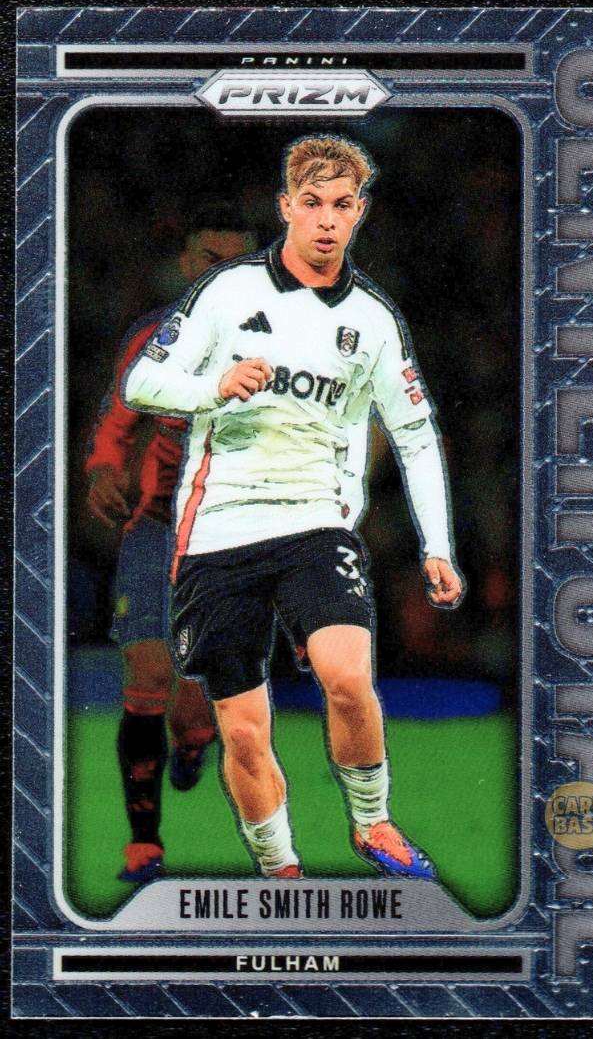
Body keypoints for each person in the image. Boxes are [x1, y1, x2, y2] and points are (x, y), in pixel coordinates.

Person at [123, 136, 464, 880]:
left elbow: (414, 435)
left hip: (315, 522)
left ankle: (372, 823)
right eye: (312, 203)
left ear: (360, 212)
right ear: (286, 207)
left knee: (347, 677)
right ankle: (281, 871)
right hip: (217, 533)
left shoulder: (373, 320)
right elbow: (141, 383)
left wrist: (437, 545)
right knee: (245, 732)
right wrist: (213, 387)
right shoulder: (228, 293)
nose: (326, 220)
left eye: (342, 205)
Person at [86, 206, 250, 882]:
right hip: (154, 529)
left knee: (192, 703)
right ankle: (143, 846)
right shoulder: (154, 336)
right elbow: (117, 417)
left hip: (231, 536)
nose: (221, 273)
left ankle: (194, 737)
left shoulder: (284, 342)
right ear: (185, 265)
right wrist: (101, 469)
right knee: (149, 674)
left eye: (236, 262)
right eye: (210, 259)